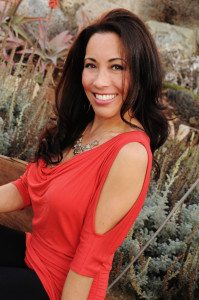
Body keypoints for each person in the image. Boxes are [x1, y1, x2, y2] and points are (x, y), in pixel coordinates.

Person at [0, 8, 168, 300]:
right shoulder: (83, 125)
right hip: (35, 251)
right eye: (92, 65)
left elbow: (89, 258)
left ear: (141, 71)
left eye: (117, 67)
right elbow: (27, 187)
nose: (99, 82)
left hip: (59, 285)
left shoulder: (129, 153)